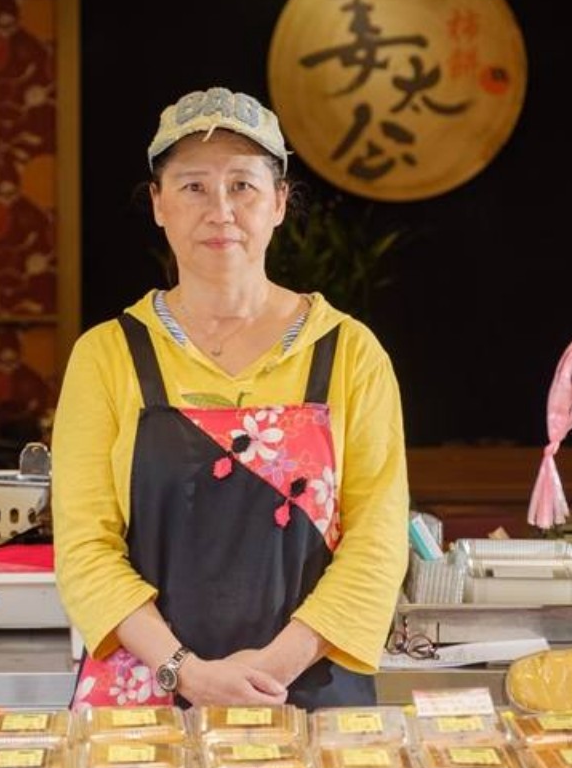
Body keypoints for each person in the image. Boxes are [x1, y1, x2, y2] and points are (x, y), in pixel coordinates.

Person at [51, 87, 410, 710]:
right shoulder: (107, 356)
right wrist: (187, 672)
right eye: (193, 187)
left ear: (278, 203)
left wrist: (271, 669)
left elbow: (377, 542)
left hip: (306, 690)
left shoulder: (349, 353)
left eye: (243, 185)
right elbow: (84, 547)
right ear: (159, 204)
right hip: (149, 694)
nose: (220, 209)